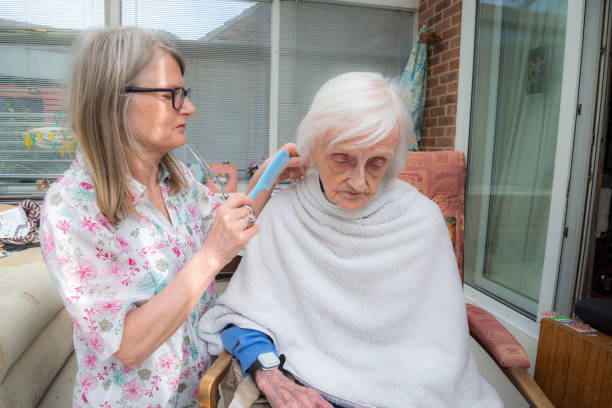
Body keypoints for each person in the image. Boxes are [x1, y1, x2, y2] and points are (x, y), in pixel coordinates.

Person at [199, 72, 503, 408]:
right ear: (313, 148)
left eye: (376, 163)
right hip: (308, 385)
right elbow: (244, 316)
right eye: (342, 159)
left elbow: (440, 349)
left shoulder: (422, 221)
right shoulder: (284, 213)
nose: (359, 182)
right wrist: (269, 375)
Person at [39, 27, 303, 407]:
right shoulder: (70, 208)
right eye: (171, 96)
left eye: (186, 94)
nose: (189, 108)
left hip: (197, 394)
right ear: (113, 101)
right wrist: (211, 257)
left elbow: (235, 220)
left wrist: (271, 172)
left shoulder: (176, 180)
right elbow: (127, 347)